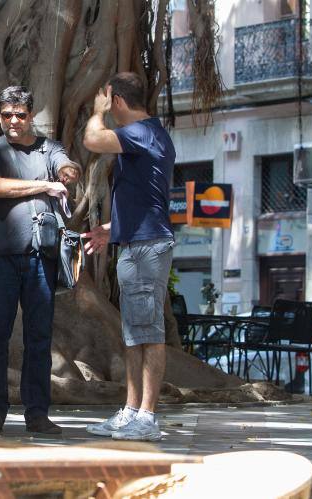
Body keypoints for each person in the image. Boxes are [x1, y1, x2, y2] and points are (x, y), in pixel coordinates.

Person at [0, 86, 80, 435]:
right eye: (7, 115)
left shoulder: (48, 147)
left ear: (31, 115)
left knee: (39, 338)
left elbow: (66, 165)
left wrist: (66, 173)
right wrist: (44, 187)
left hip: (41, 258)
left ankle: (37, 413)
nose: (14, 121)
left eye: (20, 114)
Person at [82, 72, 175, 442]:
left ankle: (147, 415)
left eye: (108, 102)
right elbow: (145, 197)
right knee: (135, 333)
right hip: (135, 241)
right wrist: (111, 228)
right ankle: (131, 411)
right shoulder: (148, 136)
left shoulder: (143, 132)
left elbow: (92, 139)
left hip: (147, 247)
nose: (106, 109)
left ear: (117, 101)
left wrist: (96, 112)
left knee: (148, 333)